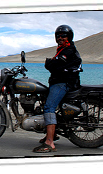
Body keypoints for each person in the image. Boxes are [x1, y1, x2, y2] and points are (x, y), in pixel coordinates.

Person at [33, 25, 82, 153]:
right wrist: (52, 64)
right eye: (58, 36)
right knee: (45, 102)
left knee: (49, 107)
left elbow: (55, 65)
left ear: (69, 37)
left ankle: (50, 143)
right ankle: (52, 134)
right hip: (60, 82)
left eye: (63, 35)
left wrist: (50, 63)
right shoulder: (62, 49)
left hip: (63, 83)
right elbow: (54, 65)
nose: (60, 38)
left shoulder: (69, 50)